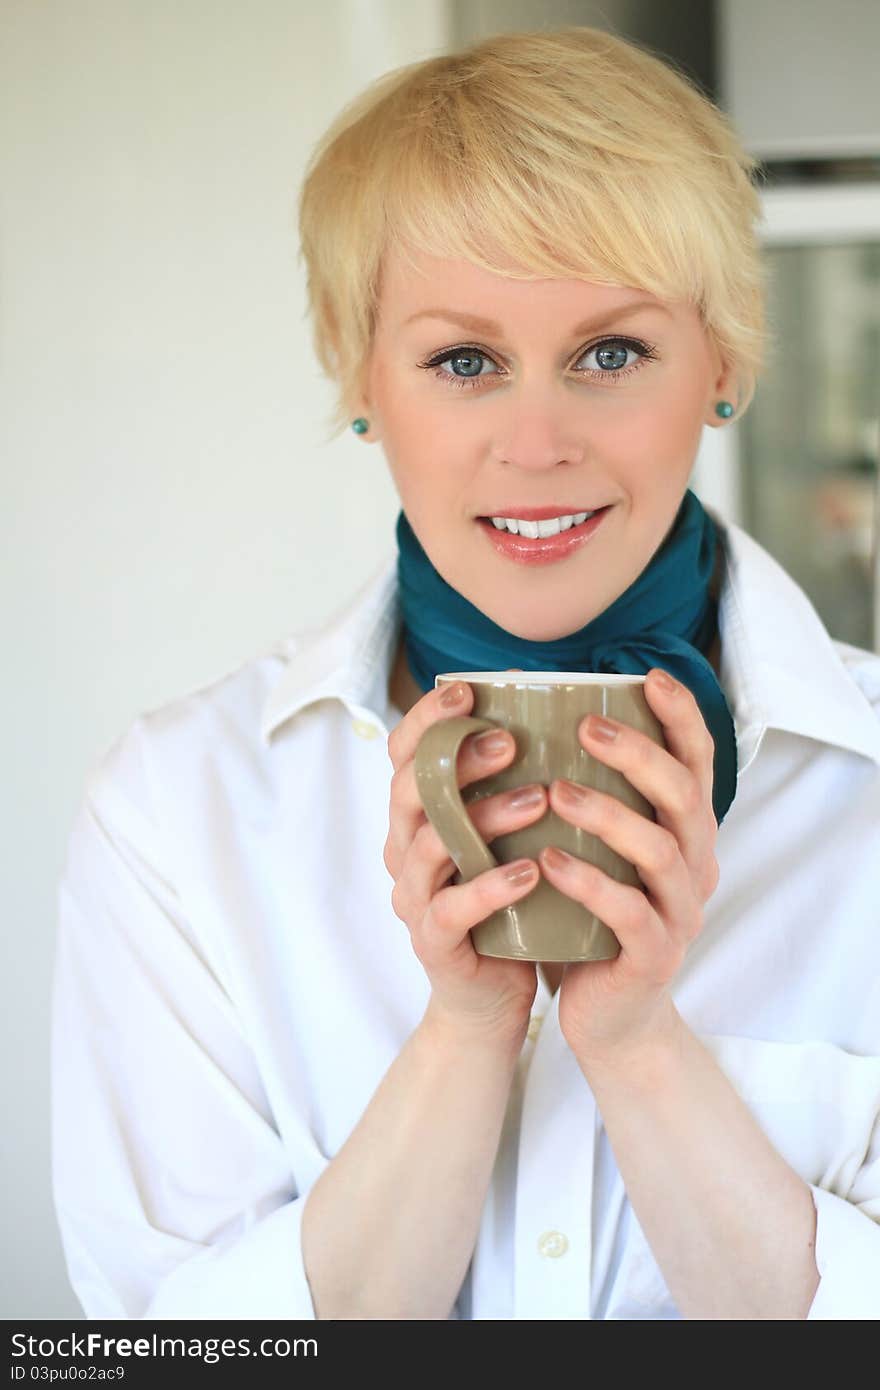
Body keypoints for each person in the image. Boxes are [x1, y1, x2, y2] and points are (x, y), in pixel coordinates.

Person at [52, 26, 880, 1321]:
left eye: (611, 353)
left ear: (720, 364)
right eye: (464, 361)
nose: (537, 443)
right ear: (360, 372)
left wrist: (638, 1046)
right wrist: (463, 1029)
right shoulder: (174, 810)